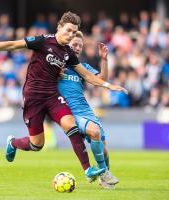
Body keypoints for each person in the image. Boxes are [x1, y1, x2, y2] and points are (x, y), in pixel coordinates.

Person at [0, 11, 128, 181]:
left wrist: (108, 85)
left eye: (74, 32)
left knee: (70, 125)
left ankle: (88, 170)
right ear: (59, 27)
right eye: (68, 30)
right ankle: (13, 143)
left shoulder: (68, 53)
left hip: (52, 96)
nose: (70, 35)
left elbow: (88, 75)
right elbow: (14, 45)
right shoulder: (43, 41)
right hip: (33, 96)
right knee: (36, 144)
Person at [58, 31, 119, 189]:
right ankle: (104, 173)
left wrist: (104, 60)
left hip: (86, 110)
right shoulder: (57, 65)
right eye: (74, 45)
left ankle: (104, 177)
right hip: (69, 112)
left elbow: (102, 80)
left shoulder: (82, 68)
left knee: (104, 148)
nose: (77, 48)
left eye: (80, 46)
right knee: (95, 132)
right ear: (67, 44)